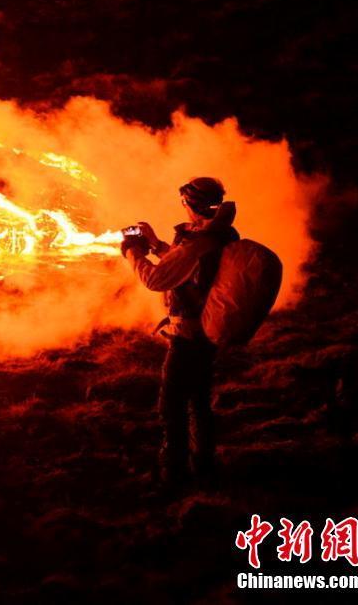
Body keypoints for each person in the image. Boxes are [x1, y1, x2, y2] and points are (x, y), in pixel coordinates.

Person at [121, 177, 239, 488]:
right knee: (199, 400)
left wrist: (134, 252)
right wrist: (157, 243)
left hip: (189, 336)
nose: (182, 208)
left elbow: (157, 280)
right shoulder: (217, 235)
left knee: (171, 406)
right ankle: (204, 465)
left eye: (184, 202)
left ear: (192, 204)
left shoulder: (198, 243)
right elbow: (185, 266)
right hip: (207, 332)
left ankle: (172, 474)